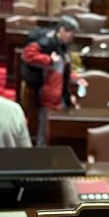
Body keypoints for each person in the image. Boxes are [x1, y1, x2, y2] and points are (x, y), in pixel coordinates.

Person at [21, 16, 82, 146]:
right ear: (62, 30)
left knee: (56, 130)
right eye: (71, 33)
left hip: (60, 93)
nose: (72, 37)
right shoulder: (45, 42)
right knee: (45, 131)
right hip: (47, 93)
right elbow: (27, 55)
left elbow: (63, 66)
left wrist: (74, 77)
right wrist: (48, 60)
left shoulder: (62, 46)